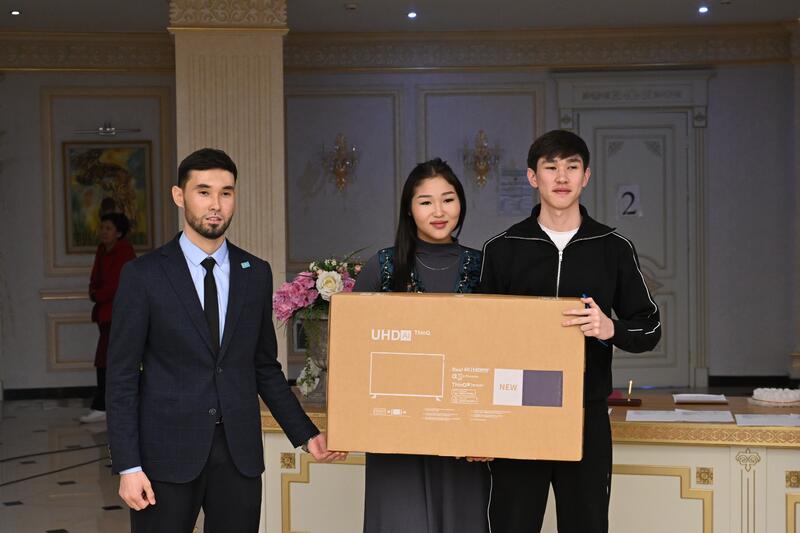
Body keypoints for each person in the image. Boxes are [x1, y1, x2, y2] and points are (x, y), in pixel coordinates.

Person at [106, 148, 344, 533]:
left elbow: (264, 367)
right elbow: (121, 377)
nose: (216, 204)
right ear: (179, 196)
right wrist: (128, 466)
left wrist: (307, 434)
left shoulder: (256, 273)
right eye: (203, 192)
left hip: (238, 457)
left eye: (226, 193)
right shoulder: (143, 275)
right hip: (165, 456)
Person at [479, 130, 661, 533]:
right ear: (533, 177)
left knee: (586, 525)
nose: (561, 177)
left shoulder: (613, 247)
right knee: (511, 525)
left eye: (571, 167)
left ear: (586, 176)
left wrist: (610, 328)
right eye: (551, 167)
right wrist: (481, 424)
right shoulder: (503, 248)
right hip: (517, 415)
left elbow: (649, 327)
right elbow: (480, 340)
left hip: (586, 415)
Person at [353, 158, 489, 533]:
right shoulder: (381, 267)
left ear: (461, 203)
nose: (439, 211)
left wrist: (491, 434)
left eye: (448, 199)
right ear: (409, 209)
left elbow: (501, 353)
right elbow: (352, 351)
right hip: (394, 430)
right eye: (426, 201)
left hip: (464, 432)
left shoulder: (483, 267)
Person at [79, 212, 136, 424]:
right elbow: (94, 280)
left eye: (108, 228)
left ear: (119, 233)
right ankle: (104, 405)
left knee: (110, 360)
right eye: (102, 228)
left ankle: (104, 406)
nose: (103, 232)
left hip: (119, 314)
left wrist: (98, 295)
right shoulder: (102, 250)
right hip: (104, 313)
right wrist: (95, 293)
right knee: (104, 359)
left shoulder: (125, 252)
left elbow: (116, 285)